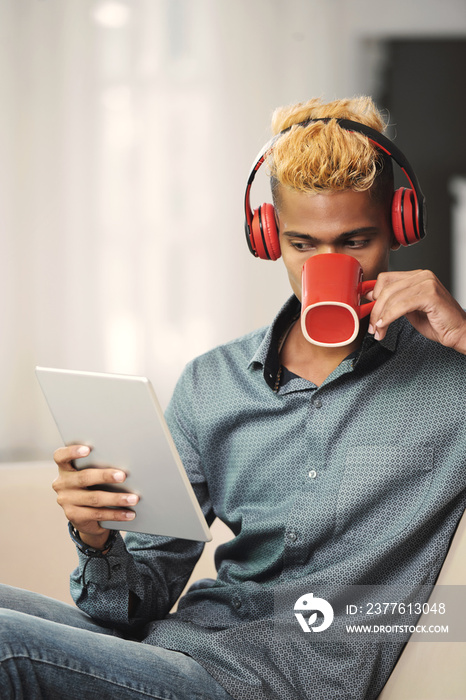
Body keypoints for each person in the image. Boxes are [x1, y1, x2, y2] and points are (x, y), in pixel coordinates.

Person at [1, 96, 465, 700]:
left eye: (354, 242)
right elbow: (133, 604)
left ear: (399, 228)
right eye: (303, 244)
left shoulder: (450, 380)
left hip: (271, 683)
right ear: (269, 236)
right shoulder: (212, 383)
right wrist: (96, 537)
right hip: (175, 649)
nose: (327, 265)